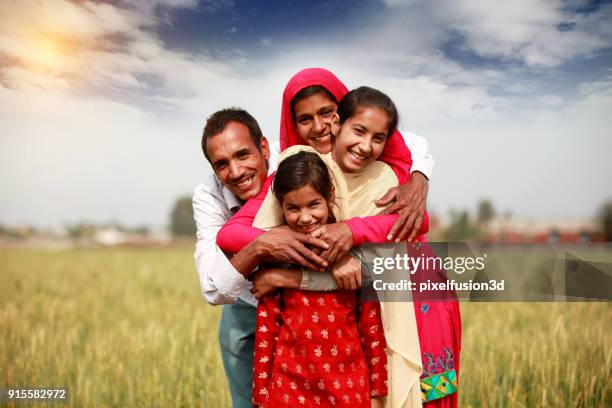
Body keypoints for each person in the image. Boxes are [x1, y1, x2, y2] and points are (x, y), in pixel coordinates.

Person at [217, 86, 460, 407]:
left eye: (328, 114)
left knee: (427, 394)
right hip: (358, 316)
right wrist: (289, 242)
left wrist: (350, 230)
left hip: (417, 303)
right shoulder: (301, 171)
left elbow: (416, 221)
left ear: (342, 116)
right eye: (305, 118)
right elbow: (231, 234)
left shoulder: (386, 174)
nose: (319, 127)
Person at [252, 151, 388, 407]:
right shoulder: (277, 258)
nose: (304, 218)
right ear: (281, 207)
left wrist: (377, 390)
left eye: (313, 204)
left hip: (348, 388)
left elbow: (371, 327)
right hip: (288, 389)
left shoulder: (353, 255)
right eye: (293, 208)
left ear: (329, 197)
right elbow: (266, 329)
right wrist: (261, 395)